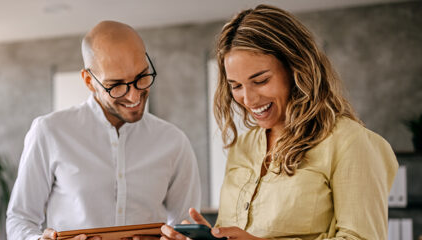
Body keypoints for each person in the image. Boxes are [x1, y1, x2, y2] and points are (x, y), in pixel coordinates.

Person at [161, 4, 398, 240]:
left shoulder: (350, 142)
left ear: (296, 69)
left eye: (261, 80)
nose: (248, 99)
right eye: (236, 86)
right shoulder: (243, 146)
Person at [6, 20, 202, 240]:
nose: (134, 96)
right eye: (116, 84)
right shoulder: (49, 132)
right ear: (89, 81)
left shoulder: (174, 142)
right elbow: (20, 219)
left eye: (141, 77)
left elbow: (186, 226)